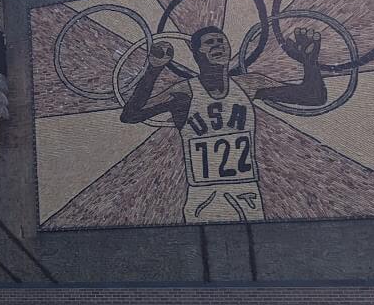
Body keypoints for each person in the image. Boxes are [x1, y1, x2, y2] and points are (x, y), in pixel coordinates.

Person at [121, 25, 326, 223]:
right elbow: (131, 115)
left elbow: (313, 97)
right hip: (204, 195)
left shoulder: (249, 84)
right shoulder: (185, 92)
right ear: (196, 52)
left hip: (246, 192)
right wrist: (154, 69)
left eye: (221, 41)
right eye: (210, 43)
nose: (218, 46)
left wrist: (310, 62)